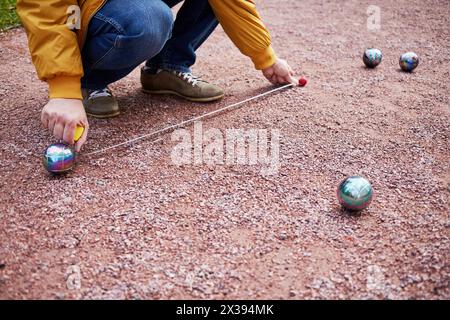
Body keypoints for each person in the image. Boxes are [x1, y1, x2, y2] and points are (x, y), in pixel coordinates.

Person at [17, 0, 297, 151]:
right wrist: (63, 87)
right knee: (149, 19)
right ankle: (88, 81)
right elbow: (46, 7)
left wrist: (266, 58)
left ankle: (166, 67)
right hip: (78, 11)